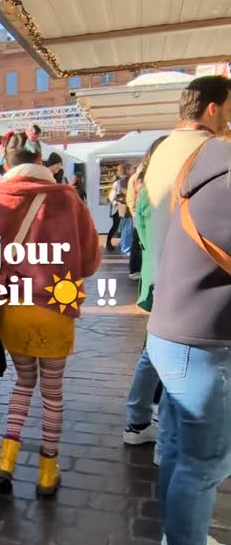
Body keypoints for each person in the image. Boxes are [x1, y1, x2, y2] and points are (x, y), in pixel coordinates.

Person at [0, 131, 101, 497]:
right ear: (41, 161)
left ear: (5, 164)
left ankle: (7, 460)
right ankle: (46, 471)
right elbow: (89, 260)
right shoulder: (68, 200)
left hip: (13, 310)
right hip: (56, 307)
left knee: (23, 384)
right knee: (53, 394)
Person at [147, 133, 231, 545]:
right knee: (204, 459)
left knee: (180, 450)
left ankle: (181, 538)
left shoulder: (206, 173)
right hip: (200, 342)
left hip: (178, 333)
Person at [144, 76, 231, 285]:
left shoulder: (161, 149)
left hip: (165, 282)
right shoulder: (217, 152)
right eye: (229, 110)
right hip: (206, 286)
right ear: (212, 109)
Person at [122, 137, 167, 448]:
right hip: (171, 280)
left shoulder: (145, 191)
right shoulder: (163, 192)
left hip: (156, 277)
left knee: (153, 349)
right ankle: (146, 422)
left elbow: (142, 235)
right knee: (157, 351)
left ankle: (140, 420)